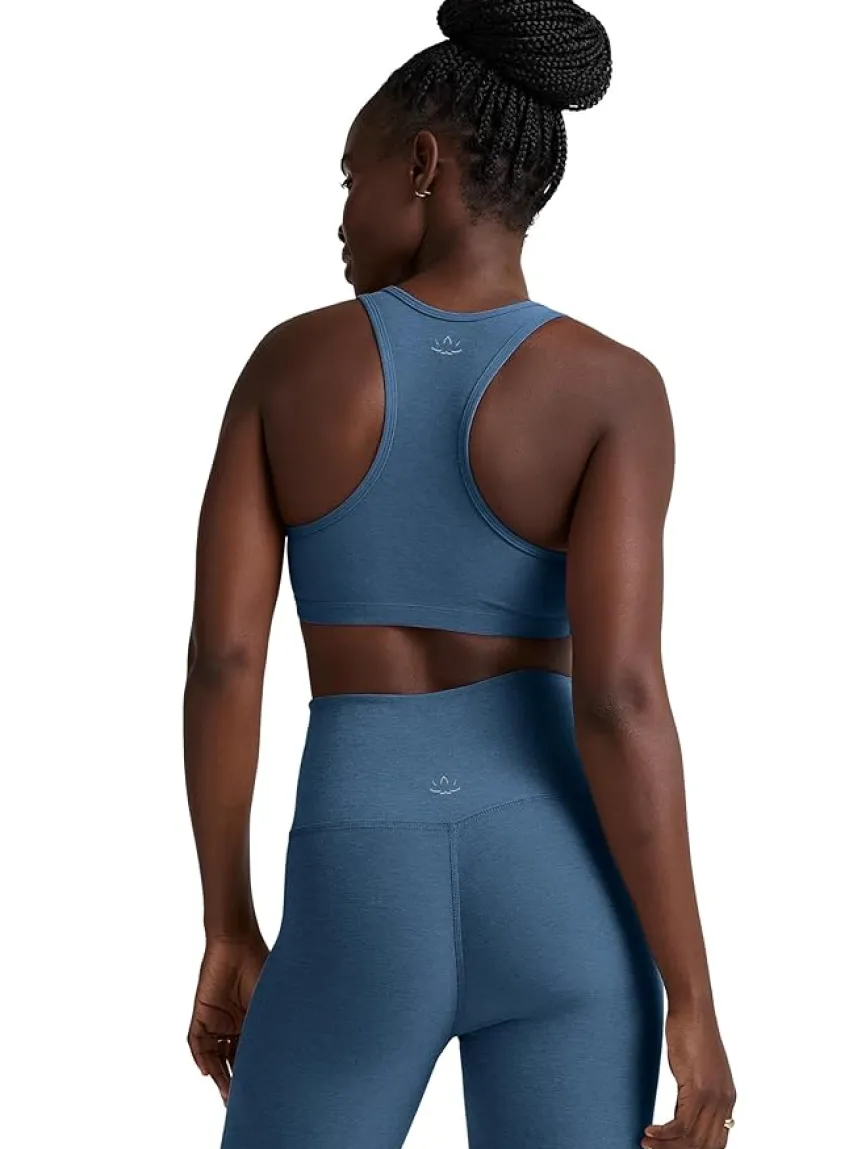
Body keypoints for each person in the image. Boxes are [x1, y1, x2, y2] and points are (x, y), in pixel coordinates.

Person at [183, 1, 737, 1146]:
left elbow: (227, 660)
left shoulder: (289, 367)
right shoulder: (614, 388)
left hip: (359, 874)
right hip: (563, 890)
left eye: (353, 177)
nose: (341, 214)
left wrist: (228, 921)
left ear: (423, 165)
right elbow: (621, 697)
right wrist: (690, 998)